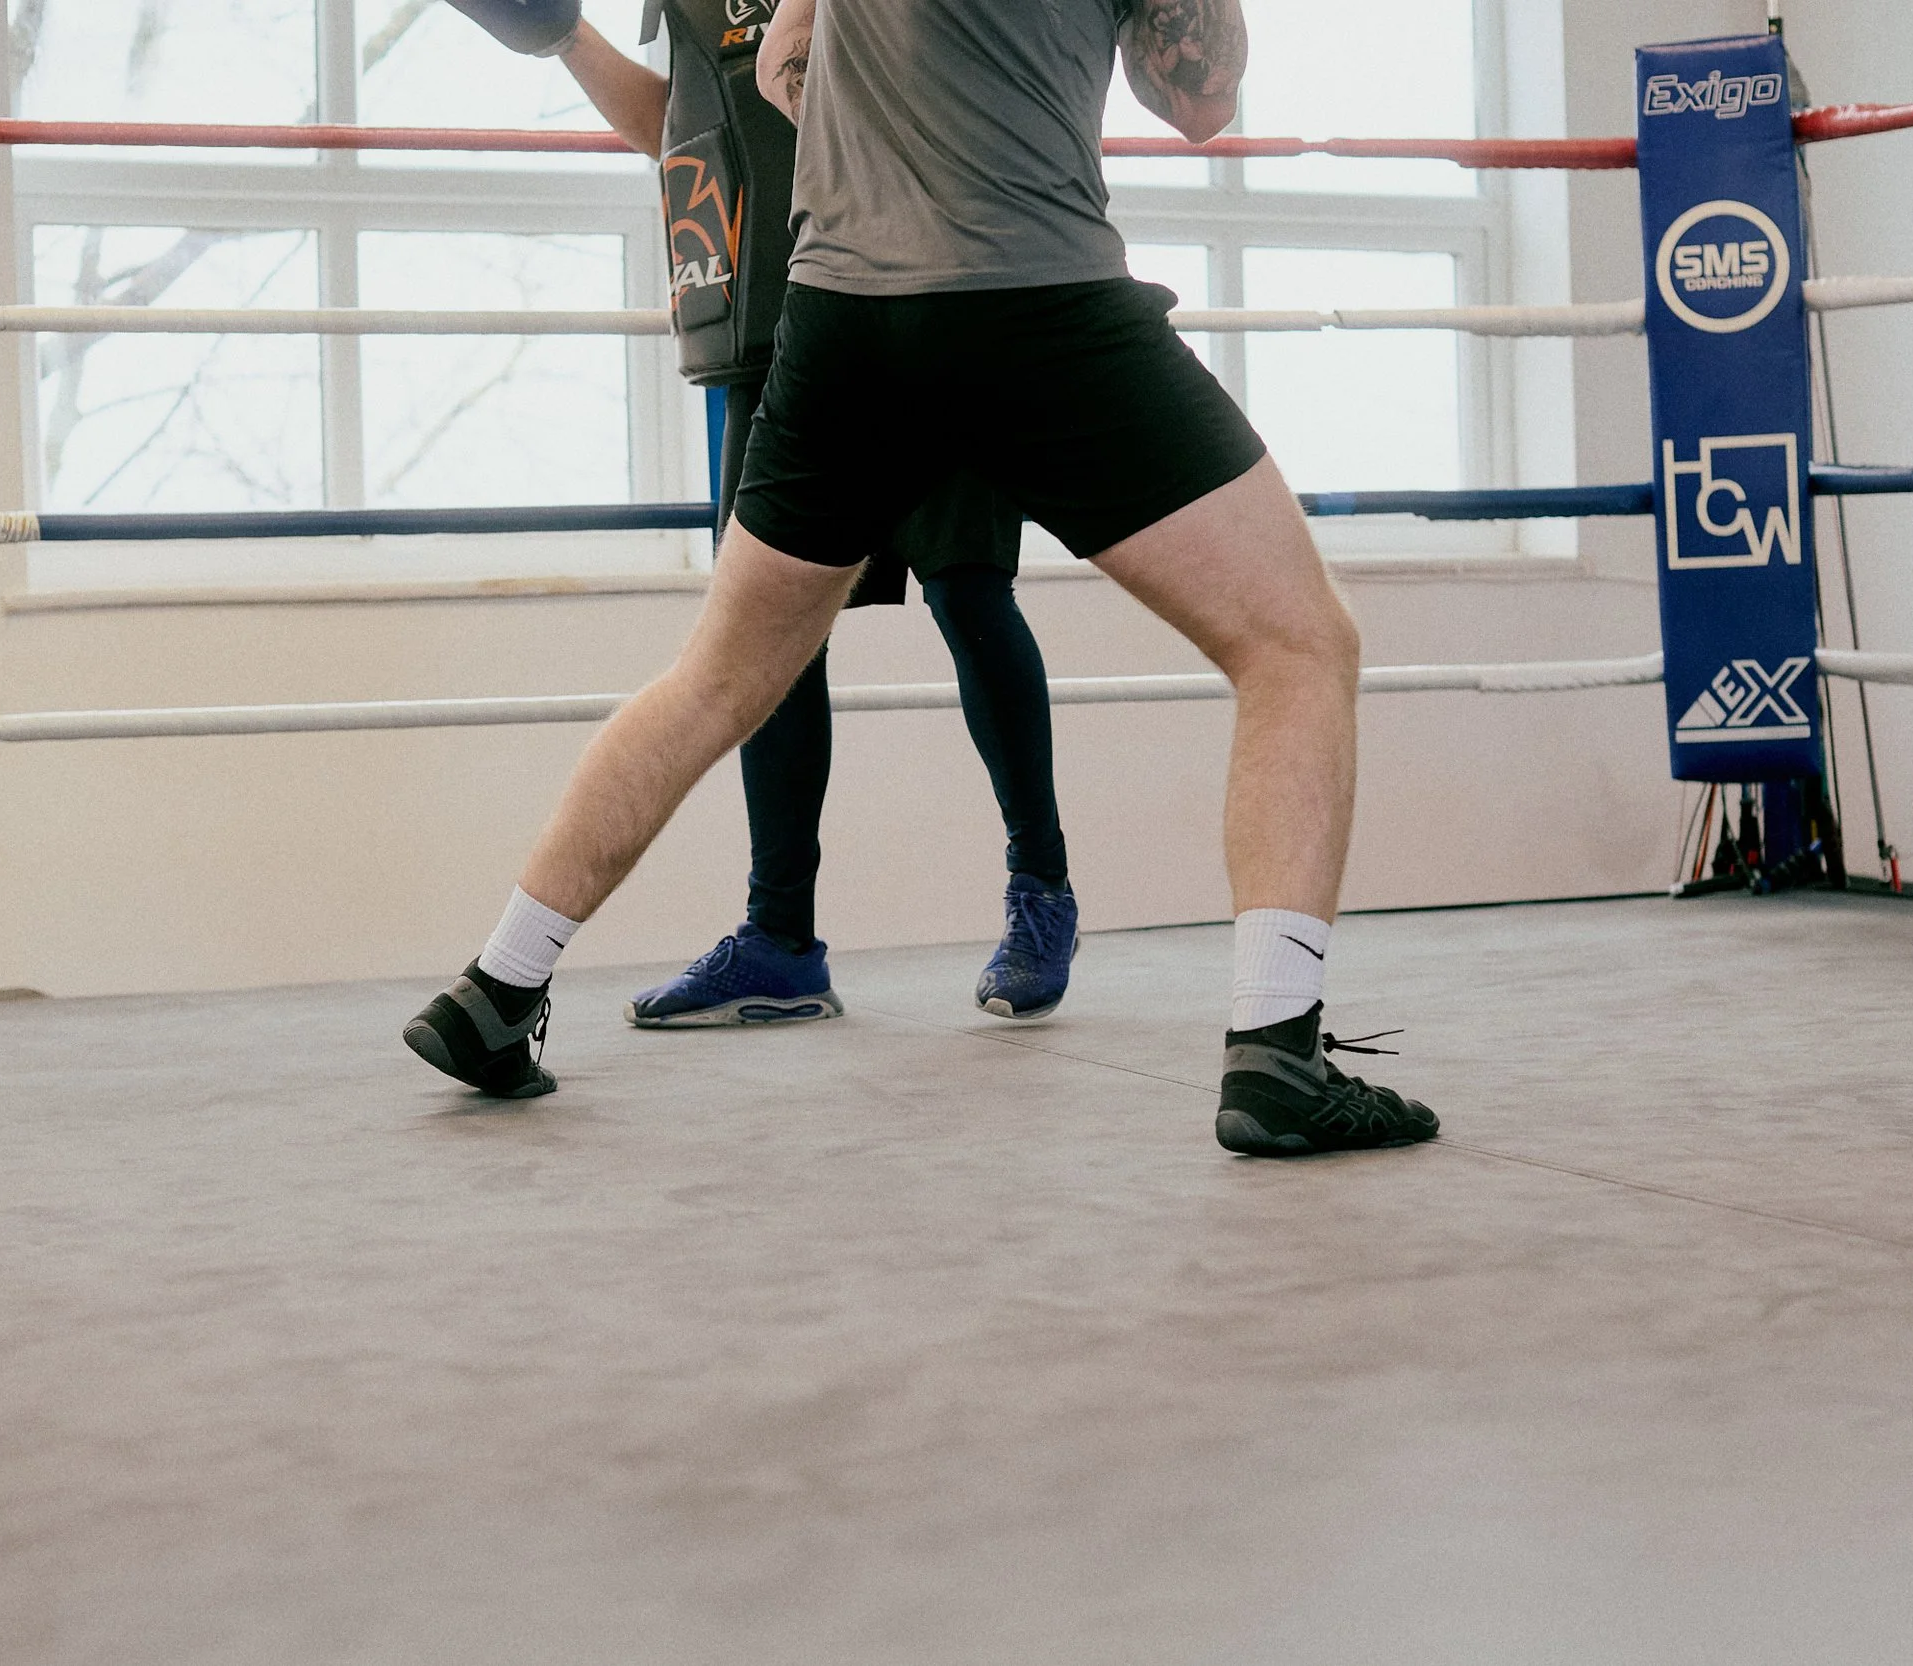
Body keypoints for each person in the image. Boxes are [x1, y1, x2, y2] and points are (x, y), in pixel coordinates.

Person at [406, 0, 1441, 1158]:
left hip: (845, 320)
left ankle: (498, 986)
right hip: (1034, 298)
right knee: (1297, 644)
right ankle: (1274, 1051)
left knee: (716, 679)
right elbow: (1198, 103)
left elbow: (785, 72)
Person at [443, 0, 1080, 1032]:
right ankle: (780, 938)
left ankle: (1040, 893)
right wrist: (562, 35)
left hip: (924, 285)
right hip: (769, 323)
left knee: (967, 590)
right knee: (767, 640)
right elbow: (675, 125)